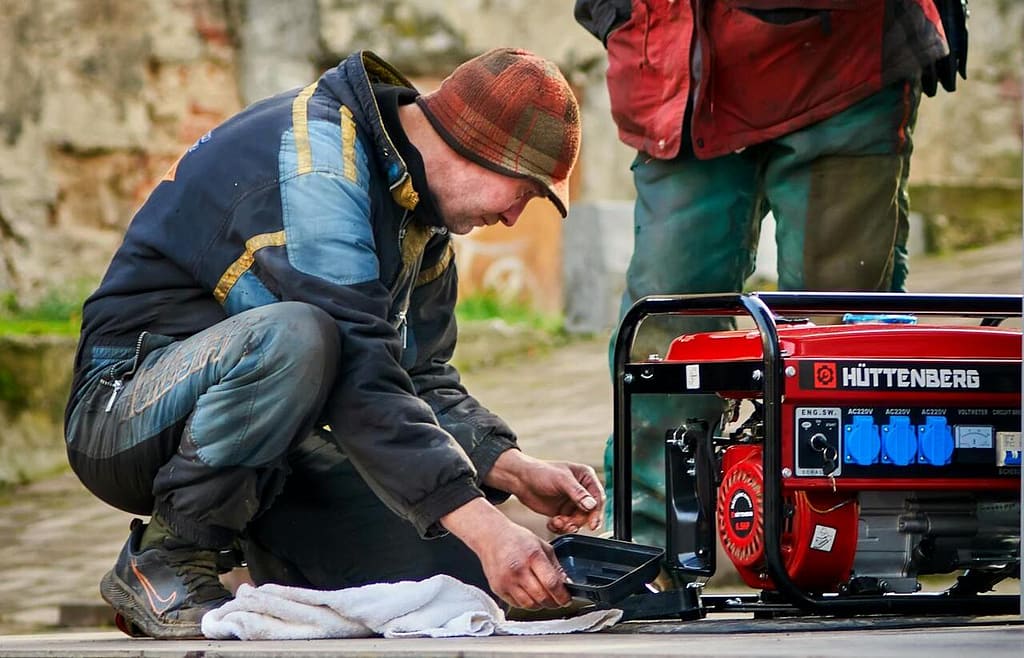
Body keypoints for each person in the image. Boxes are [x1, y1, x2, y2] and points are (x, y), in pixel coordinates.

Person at [63, 47, 604, 640]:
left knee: (465, 577)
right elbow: (354, 366)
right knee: (302, 336)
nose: (513, 218)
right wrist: (487, 526)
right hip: (122, 411)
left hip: (274, 438)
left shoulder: (419, 213)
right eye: (523, 192)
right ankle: (168, 555)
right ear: (480, 149)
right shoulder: (320, 164)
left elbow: (419, 378)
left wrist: (515, 470)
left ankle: (271, 558)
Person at [574, 1, 965, 548]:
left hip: (839, 67)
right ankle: (652, 546)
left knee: (835, 336)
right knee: (664, 337)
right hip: (676, 74)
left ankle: (842, 544)